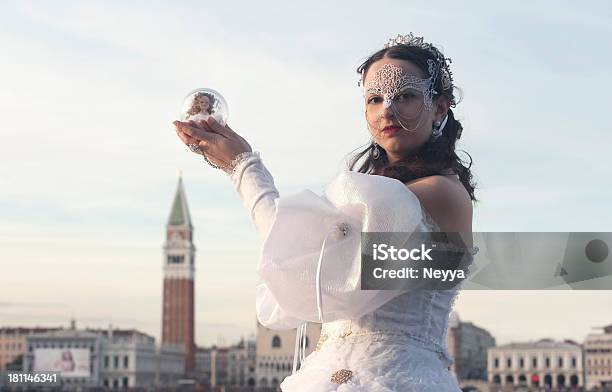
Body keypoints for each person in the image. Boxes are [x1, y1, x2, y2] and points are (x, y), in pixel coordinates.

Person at [174, 33, 478, 391]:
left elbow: (306, 268)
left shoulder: (439, 192)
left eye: (406, 95)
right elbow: (301, 257)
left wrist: (242, 166)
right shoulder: (381, 190)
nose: (387, 110)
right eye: (375, 98)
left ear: (440, 106)